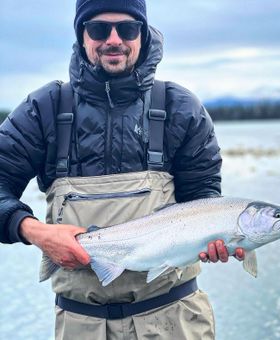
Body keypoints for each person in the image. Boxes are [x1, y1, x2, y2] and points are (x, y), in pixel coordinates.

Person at [0, 1, 244, 339]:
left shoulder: (180, 108)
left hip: (174, 319)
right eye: (99, 29)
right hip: (80, 323)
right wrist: (33, 231)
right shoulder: (44, 109)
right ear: (81, 35)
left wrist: (214, 238)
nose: (114, 39)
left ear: (142, 34)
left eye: (127, 29)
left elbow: (203, 199)